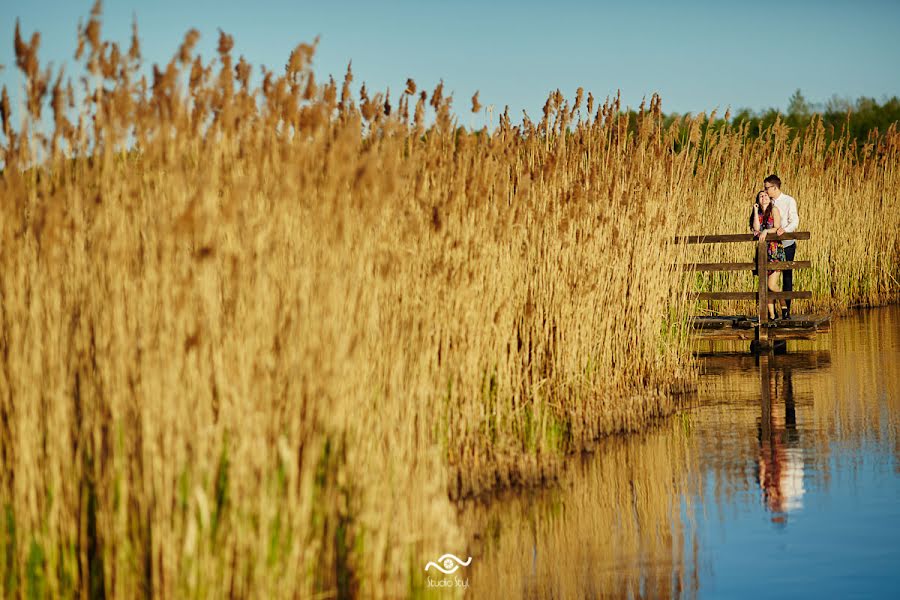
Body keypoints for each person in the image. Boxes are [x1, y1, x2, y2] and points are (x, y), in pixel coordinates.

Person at [764, 175, 799, 318]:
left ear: (774, 187)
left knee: (787, 277)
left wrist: (785, 230)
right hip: (771, 246)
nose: (765, 191)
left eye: (767, 188)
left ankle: (786, 311)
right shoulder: (766, 201)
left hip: (787, 244)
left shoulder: (788, 201)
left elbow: (795, 220)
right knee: (769, 277)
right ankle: (771, 312)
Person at [750, 190, 786, 321]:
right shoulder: (758, 213)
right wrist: (755, 210)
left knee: (771, 285)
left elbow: (777, 227)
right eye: (761, 196)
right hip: (763, 252)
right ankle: (772, 315)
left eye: (765, 195)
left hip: (775, 250)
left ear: (770, 199)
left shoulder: (774, 210)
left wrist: (765, 230)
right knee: (765, 286)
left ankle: (784, 307)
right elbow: (755, 228)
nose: (763, 197)